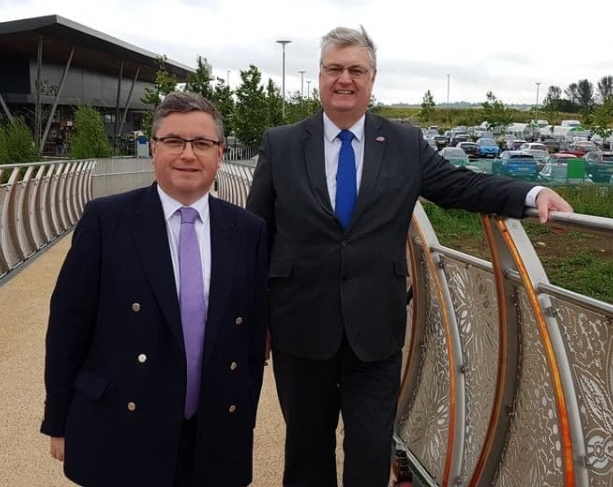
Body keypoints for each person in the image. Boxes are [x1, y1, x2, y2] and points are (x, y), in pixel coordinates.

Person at [246, 26, 573, 487]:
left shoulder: (402, 143)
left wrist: (531, 192)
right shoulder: (280, 144)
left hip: (375, 328)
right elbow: (257, 234)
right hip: (300, 324)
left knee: (371, 445)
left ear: (372, 79)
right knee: (306, 446)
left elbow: (462, 185)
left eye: (356, 70)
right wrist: (255, 319)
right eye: (335, 68)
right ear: (319, 76)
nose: (345, 79)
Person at [41, 91, 268, 487]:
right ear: (153, 150)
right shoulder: (106, 221)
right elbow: (66, 329)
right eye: (174, 141)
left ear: (220, 155)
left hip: (212, 431)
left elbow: (249, 341)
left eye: (201, 144)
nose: (187, 155)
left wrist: (242, 418)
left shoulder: (247, 230)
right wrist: (58, 420)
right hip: (123, 424)